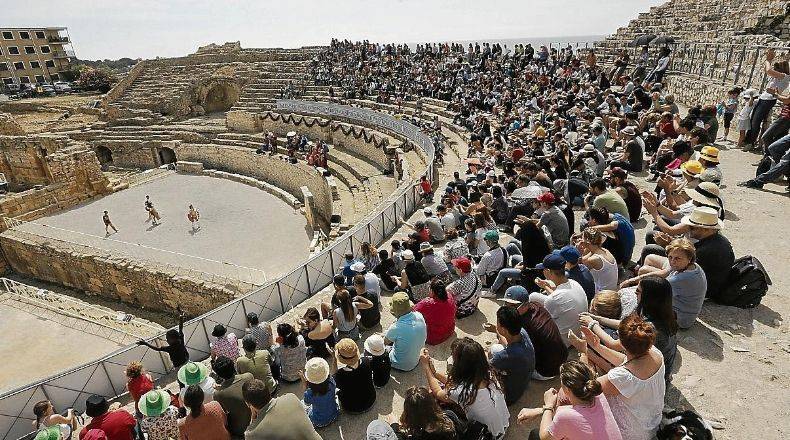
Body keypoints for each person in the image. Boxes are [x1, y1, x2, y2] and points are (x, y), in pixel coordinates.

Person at [569, 315, 666, 440]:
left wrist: (583, 352)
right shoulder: (654, 352)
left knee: (572, 399)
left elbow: (586, 387)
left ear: (622, 344)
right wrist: (596, 346)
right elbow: (626, 361)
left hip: (634, 433)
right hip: (651, 421)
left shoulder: (622, 377)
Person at [420, 338, 510, 438]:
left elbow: (438, 393)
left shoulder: (463, 391)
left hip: (488, 435)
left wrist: (426, 367)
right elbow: (456, 385)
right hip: (503, 425)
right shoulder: (487, 373)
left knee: (434, 399)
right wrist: (435, 373)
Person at [517, 360, 622, 440]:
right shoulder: (598, 395)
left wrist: (548, 405)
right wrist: (539, 411)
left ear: (567, 389)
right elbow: (570, 412)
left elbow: (544, 436)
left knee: (535, 435)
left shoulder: (565, 417)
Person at [623, 237, 707, 329]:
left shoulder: (679, 279)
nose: (672, 262)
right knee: (647, 264)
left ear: (689, 258)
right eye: (670, 257)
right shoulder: (690, 266)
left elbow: (650, 297)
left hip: (680, 318)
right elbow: (663, 273)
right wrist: (633, 280)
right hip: (685, 307)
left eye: (677, 258)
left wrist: (632, 289)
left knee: (631, 299)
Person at [519, 253, 588, 346]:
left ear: (548, 271)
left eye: (543, 269)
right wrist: (545, 286)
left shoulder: (553, 299)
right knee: (533, 296)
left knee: (527, 325)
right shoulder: (574, 283)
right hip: (577, 333)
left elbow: (545, 321)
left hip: (562, 342)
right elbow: (559, 298)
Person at [365, 386, 461, 439]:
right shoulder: (449, 417)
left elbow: (398, 437)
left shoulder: (414, 436)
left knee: (375, 425)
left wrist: (394, 425)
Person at [485, 306, 536, 405]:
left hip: (509, 396)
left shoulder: (506, 356)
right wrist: (496, 330)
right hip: (523, 381)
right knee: (496, 347)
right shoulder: (522, 332)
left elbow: (485, 366)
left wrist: (484, 353)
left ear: (504, 330)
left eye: (498, 324)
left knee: (485, 363)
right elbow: (509, 343)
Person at [242, 379, 321, 439]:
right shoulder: (291, 397)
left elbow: (250, 431)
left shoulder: (251, 434)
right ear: (268, 392)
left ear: (248, 403)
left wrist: (253, 418)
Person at [212, 356, 254, 438]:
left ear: (219, 375)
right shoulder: (248, 376)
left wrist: (220, 388)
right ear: (233, 366)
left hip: (240, 430)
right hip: (257, 420)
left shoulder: (218, 394)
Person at [385, 291, 428, 371]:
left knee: (377, 347)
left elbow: (384, 342)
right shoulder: (419, 315)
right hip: (416, 359)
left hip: (400, 364)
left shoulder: (395, 328)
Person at [334, 337, 377, 413]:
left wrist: (334, 360)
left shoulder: (340, 374)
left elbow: (334, 379)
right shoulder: (366, 361)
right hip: (371, 400)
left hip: (352, 408)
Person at [414, 279, 457, 345]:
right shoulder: (449, 296)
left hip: (434, 337)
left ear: (432, 291)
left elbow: (413, 311)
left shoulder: (427, 303)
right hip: (449, 330)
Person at [301, 357, 340, 428]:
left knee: (302, 404)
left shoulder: (309, 393)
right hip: (334, 414)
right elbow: (334, 371)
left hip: (319, 421)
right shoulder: (331, 382)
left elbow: (307, 403)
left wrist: (304, 384)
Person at [576, 229, 619, 294]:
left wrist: (577, 250)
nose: (581, 240)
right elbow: (583, 260)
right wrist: (586, 248)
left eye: (582, 237)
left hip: (602, 293)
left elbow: (576, 267)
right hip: (611, 289)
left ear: (587, 241)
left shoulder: (594, 259)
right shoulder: (604, 250)